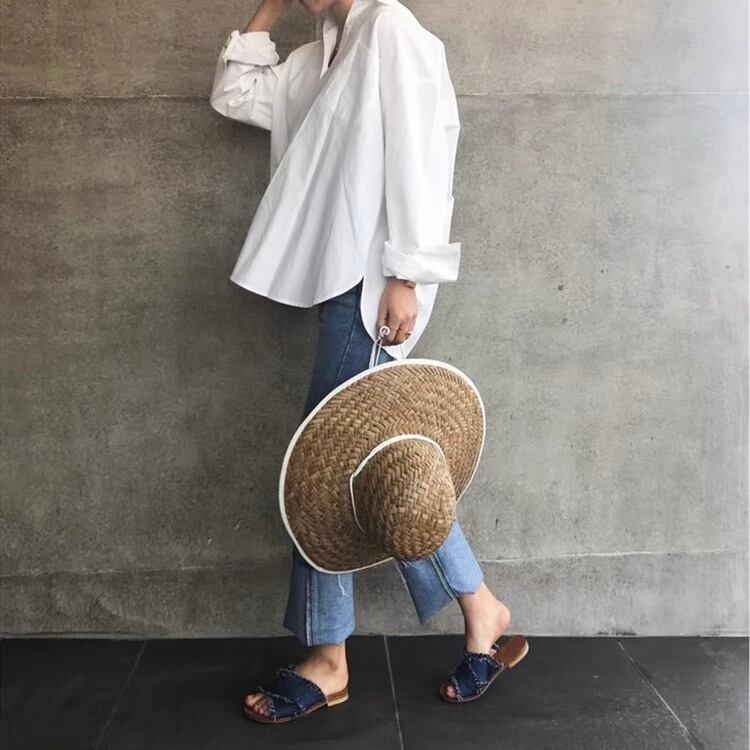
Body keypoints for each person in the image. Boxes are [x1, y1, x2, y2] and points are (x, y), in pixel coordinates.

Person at [210, 0, 521, 721]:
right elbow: (235, 94)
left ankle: (329, 659)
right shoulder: (318, 55)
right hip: (336, 279)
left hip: (373, 284)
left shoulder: (390, 28)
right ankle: (482, 607)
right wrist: (270, 8)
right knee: (368, 462)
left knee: (325, 465)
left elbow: (422, 151)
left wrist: (407, 274)